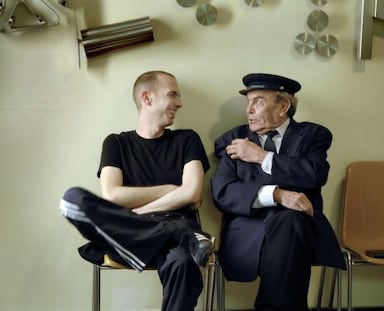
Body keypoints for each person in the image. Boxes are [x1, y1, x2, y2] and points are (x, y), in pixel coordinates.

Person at [59, 70, 214, 311]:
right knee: (74, 198)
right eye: (173, 95)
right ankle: (180, 232)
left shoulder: (187, 140)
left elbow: (192, 194)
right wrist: (171, 190)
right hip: (130, 233)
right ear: (147, 98)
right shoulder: (116, 143)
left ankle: (179, 233)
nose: (180, 103)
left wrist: (138, 210)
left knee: (182, 263)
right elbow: (112, 195)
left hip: (167, 242)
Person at [211, 73, 345, 311]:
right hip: (249, 234)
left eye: (258, 102)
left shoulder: (313, 135)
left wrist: (262, 157)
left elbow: (315, 174)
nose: (248, 110)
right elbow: (223, 193)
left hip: (300, 233)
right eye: (248, 102)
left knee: (291, 223)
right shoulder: (234, 139)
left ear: (283, 106)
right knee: (289, 239)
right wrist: (276, 195)